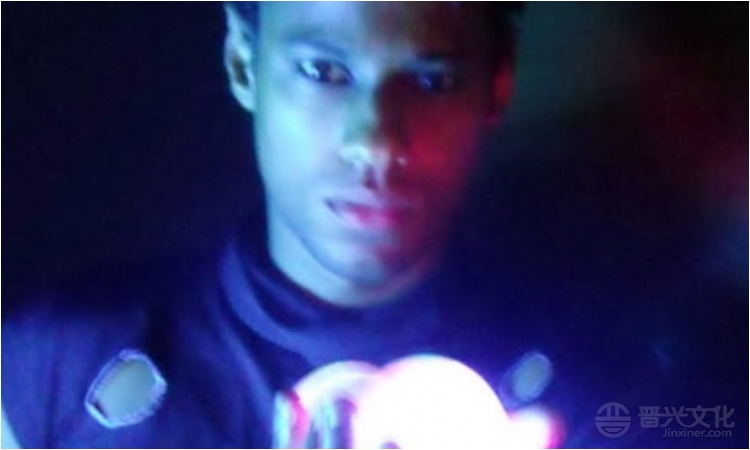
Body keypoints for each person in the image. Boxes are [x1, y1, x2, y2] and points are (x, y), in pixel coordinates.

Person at [4, 2, 746, 448]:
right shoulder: (58, 358)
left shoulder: (606, 395)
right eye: (324, 72)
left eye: (430, 80)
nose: (379, 141)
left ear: (496, 86)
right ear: (242, 63)